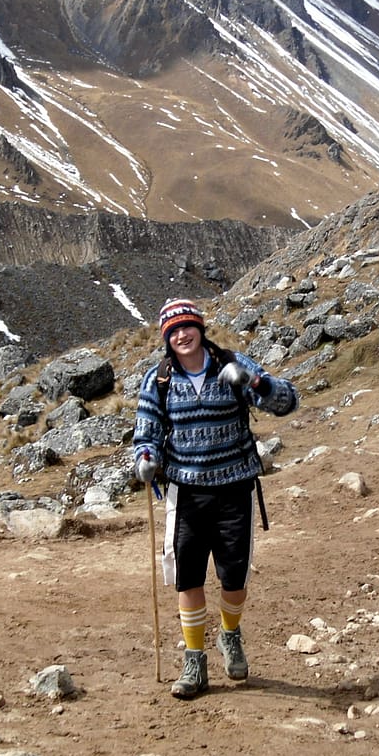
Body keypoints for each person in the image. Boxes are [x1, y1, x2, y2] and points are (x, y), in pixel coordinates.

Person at [132, 298, 299, 699]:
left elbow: (287, 402)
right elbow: (147, 430)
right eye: (173, 332)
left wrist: (255, 383)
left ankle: (230, 633)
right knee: (187, 577)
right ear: (166, 339)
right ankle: (194, 661)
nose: (182, 336)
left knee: (234, 577)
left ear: (200, 330)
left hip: (234, 486)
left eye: (187, 327)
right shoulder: (159, 380)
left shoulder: (232, 364)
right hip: (186, 491)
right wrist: (146, 457)